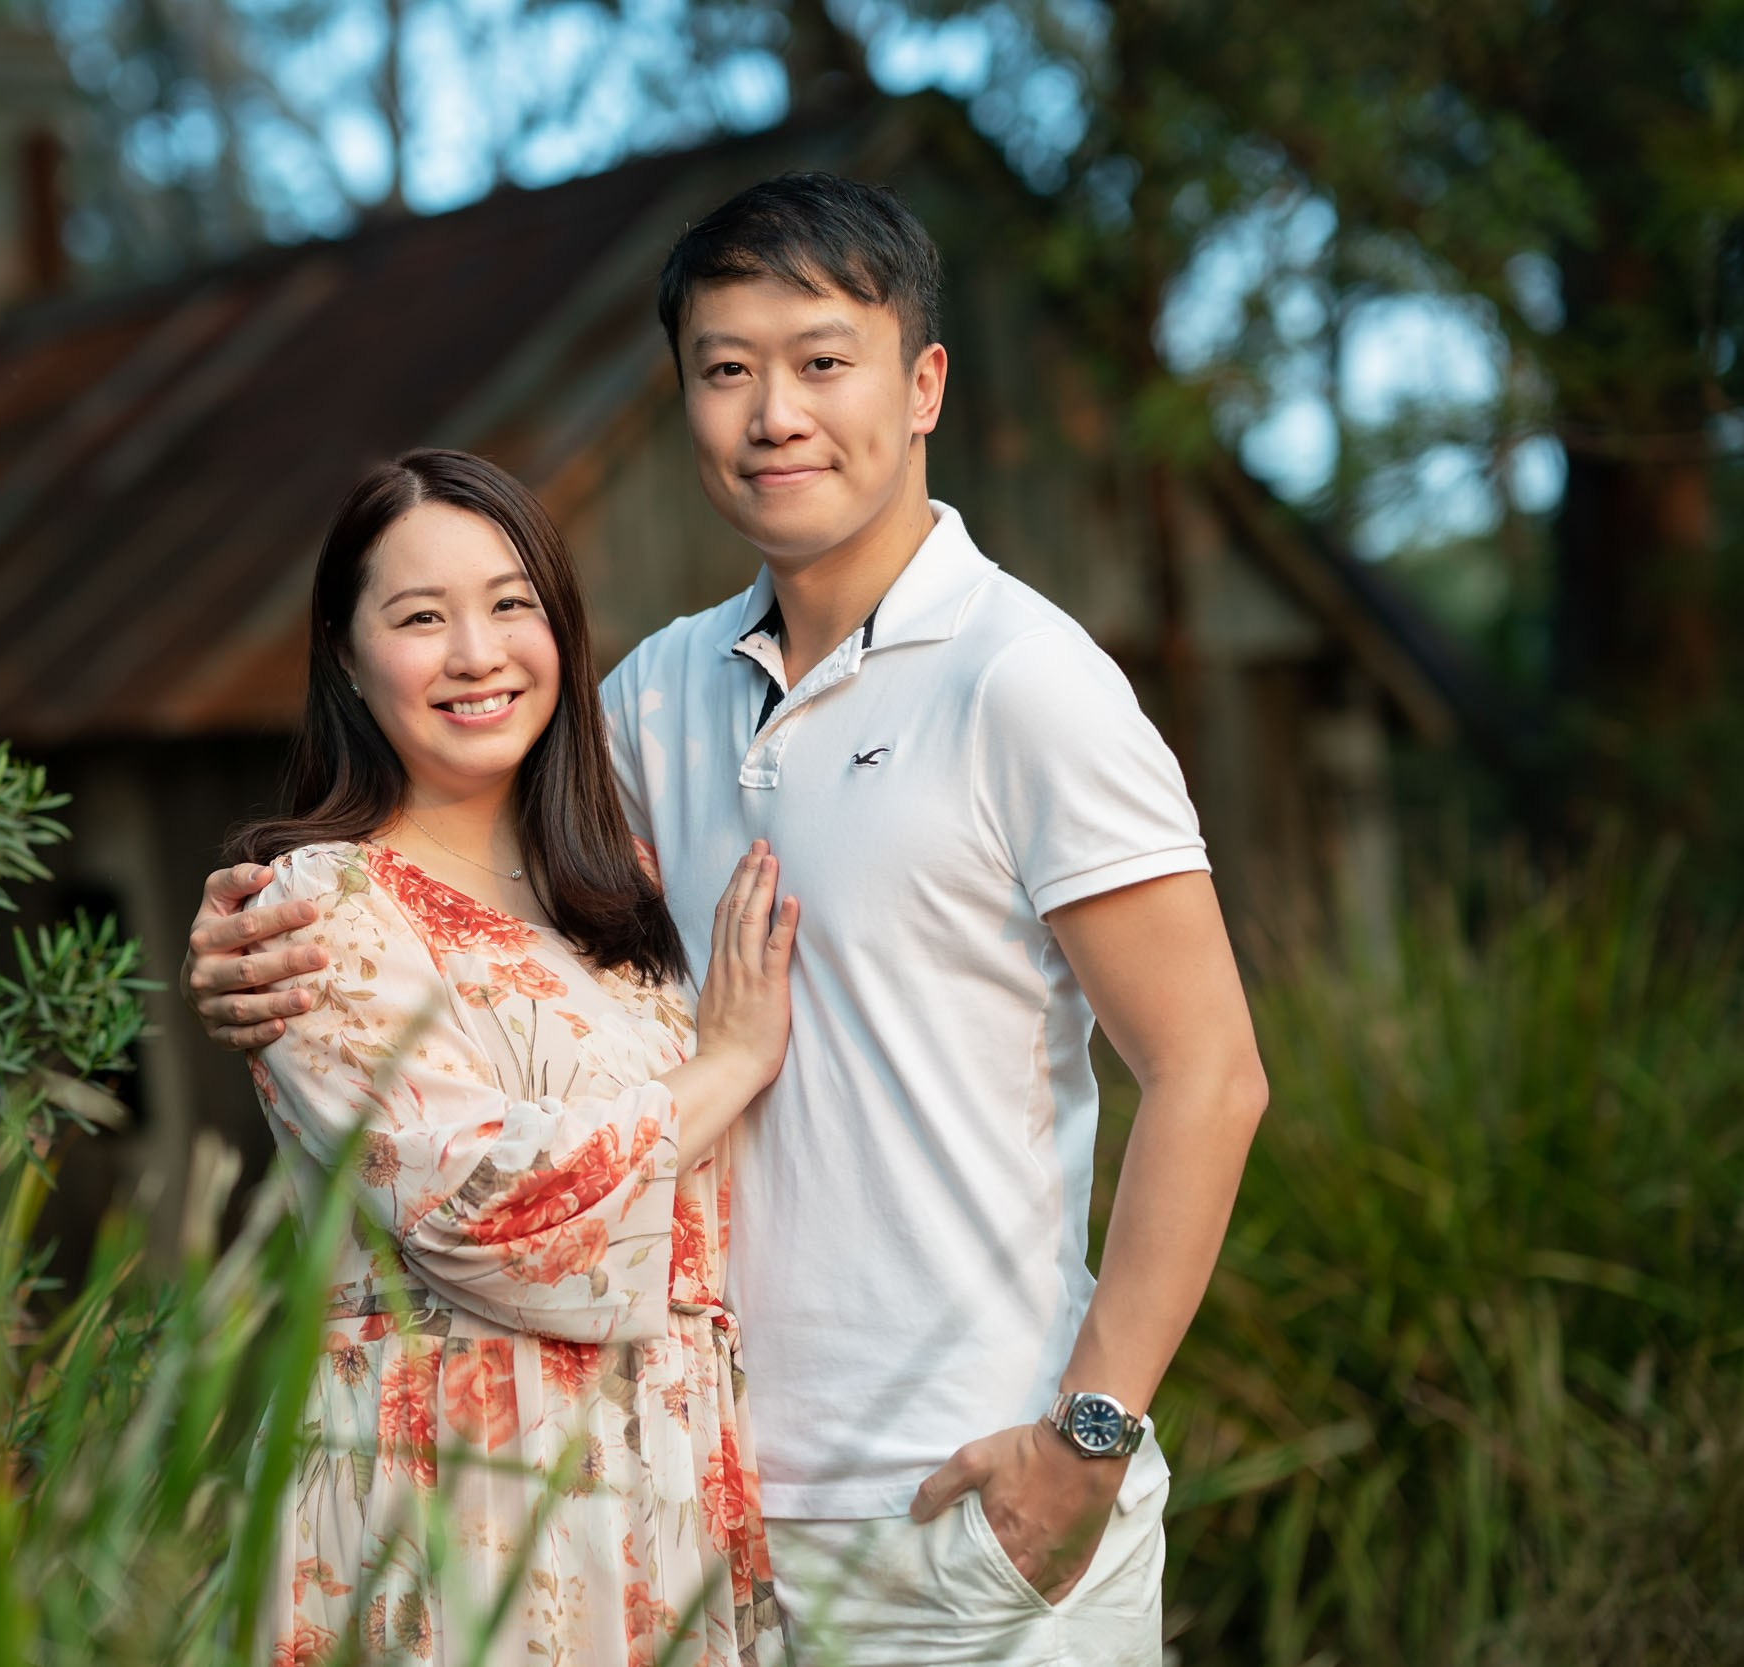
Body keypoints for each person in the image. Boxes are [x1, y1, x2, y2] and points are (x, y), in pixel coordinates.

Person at [192, 176, 1270, 1666]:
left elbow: (1212, 1074)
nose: (776, 412)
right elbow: (451, 904)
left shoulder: (1026, 682)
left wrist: (1082, 1445)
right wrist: (247, 920)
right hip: (710, 1510)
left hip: (970, 1501)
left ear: (925, 383)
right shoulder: (652, 700)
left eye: (824, 360)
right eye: (726, 368)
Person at [233, 448, 794, 1666]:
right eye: (420, 617)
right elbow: (476, 1201)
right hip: (461, 1486)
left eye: (509, 603)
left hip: (666, 1469)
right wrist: (730, 1059)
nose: (477, 653)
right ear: (345, 652)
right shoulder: (316, 907)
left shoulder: (624, 886)